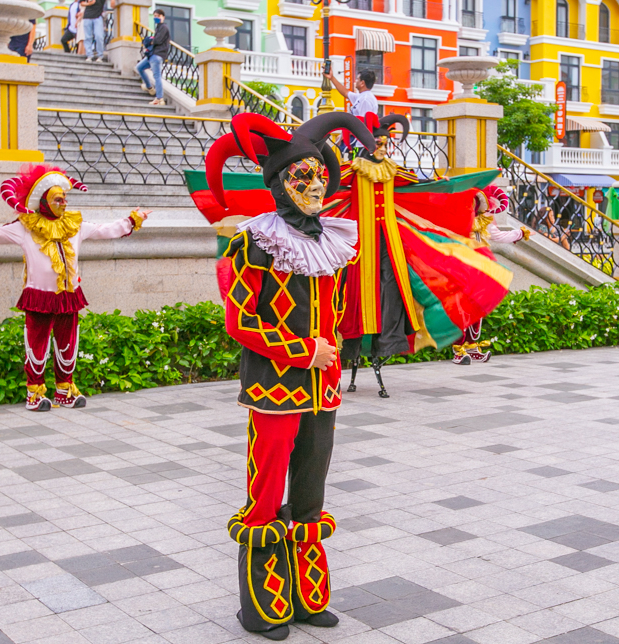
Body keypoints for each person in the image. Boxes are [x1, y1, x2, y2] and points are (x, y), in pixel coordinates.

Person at [204, 112, 377, 640]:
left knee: (310, 491)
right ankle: (261, 606)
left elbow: (339, 312)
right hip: (274, 389)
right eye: (300, 176)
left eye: (318, 175)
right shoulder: (253, 243)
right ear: (278, 183)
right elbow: (241, 321)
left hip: (322, 393)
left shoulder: (334, 243)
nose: (313, 184)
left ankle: (306, 597)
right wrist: (307, 352)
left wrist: (338, 350)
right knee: (264, 492)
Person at [0, 165, 150, 411]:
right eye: (59, 199)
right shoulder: (26, 226)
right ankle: (34, 393)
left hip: (68, 295)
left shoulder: (74, 225)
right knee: (37, 345)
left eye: (65, 198)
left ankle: (64, 389)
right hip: (39, 296)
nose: (64, 203)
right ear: (45, 202)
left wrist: (132, 219)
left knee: (68, 343)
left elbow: (105, 230)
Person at [335, 113, 513, 397]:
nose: (383, 146)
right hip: (357, 248)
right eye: (378, 141)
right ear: (368, 144)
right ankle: (352, 351)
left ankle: (384, 346)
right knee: (352, 296)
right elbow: (329, 184)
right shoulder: (352, 170)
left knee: (390, 294)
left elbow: (423, 186)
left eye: (386, 141)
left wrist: (453, 189)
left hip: (391, 245)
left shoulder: (394, 170)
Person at [454, 185, 530, 365]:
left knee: (477, 310)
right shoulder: (456, 222)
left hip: (481, 271)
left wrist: (520, 233)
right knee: (462, 309)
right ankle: (458, 349)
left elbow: (499, 236)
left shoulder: (484, 223)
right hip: (463, 270)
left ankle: (472, 347)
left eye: (476, 203)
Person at [137, 8, 168, 105]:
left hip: (157, 55)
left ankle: (159, 98)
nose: (156, 18)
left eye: (158, 16)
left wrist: (150, 40)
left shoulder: (164, 27)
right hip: (152, 54)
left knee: (157, 76)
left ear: (163, 17)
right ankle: (149, 87)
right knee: (139, 67)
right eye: (154, 16)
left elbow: (158, 41)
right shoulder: (158, 27)